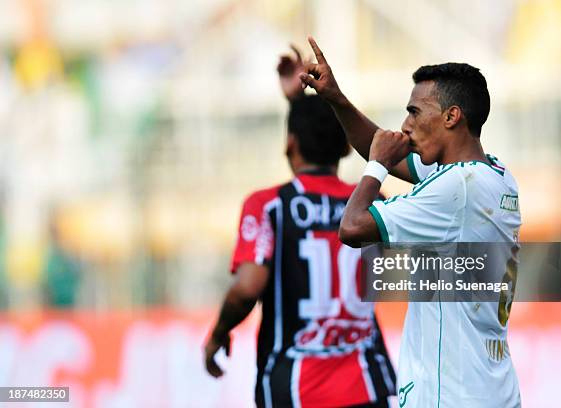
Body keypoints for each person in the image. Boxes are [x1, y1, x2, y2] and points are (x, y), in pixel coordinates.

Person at [300, 37, 522, 407]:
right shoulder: (494, 175)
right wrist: (336, 99)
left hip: (450, 397)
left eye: (415, 112)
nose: (405, 126)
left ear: (452, 116)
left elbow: (352, 227)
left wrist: (377, 167)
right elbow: (380, 143)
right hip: (492, 389)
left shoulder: (454, 190)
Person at [203, 47, 396, 408]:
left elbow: (247, 288)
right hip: (367, 384)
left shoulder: (269, 206)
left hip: (295, 390)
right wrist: (301, 103)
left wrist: (218, 333)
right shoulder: (373, 201)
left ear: (290, 144)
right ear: (343, 148)